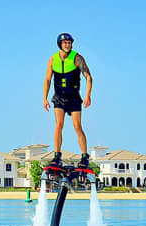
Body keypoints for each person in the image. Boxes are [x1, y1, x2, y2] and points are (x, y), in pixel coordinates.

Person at [43, 33, 93, 169]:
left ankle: (84, 157)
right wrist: (45, 98)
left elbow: (88, 77)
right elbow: (47, 79)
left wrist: (88, 95)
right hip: (59, 97)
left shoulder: (77, 58)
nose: (67, 45)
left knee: (77, 127)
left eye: (69, 43)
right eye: (65, 43)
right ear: (60, 44)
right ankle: (57, 156)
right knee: (59, 125)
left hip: (74, 97)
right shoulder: (52, 60)